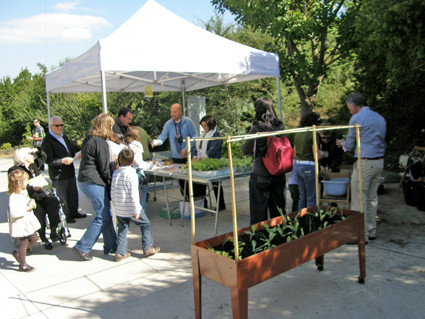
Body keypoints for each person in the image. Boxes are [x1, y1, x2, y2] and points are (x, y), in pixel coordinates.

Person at [336, 93, 386, 241]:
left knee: (359, 198)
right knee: (372, 198)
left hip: (365, 161)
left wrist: (342, 145)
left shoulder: (357, 118)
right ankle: (371, 230)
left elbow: (350, 145)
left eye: (348, 107)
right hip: (379, 162)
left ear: (353, 105)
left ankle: (359, 234)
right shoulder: (379, 117)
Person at [73, 114, 118, 261]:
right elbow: (105, 169)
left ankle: (112, 246)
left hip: (85, 180)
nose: (112, 128)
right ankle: (82, 246)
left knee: (106, 214)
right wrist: (115, 169)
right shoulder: (101, 142)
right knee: (102, 216)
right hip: (94, 181)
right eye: (111, 126)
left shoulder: (89, 139)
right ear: (106, 127)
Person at [242, 98, 287, 225]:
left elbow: (245, 150)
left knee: (258, 212)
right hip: (278, 171)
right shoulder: (280, 125)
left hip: (261, 172)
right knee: (278, 210)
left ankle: (261, 240)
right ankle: (280, 237)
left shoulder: (257, 127)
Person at [111, 148, 160, 262]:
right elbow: (134, 194)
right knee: (145, 224)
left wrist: (115, 208)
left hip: (120, 209)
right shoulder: (132, 174)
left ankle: (120, 252)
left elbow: (112, 192)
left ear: (119, 160)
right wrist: (137, 210)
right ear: (133, 162)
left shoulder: (115, 173)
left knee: (123, 228)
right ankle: (148, 248)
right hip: (131, 208)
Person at [8, 148, 60, 250]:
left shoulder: (34, 165)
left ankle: (54, 231)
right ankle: (44, 238)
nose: (32, 156)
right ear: (23, 157)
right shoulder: (15, 170)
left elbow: (43, 156)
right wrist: (31, 188)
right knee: (38, 212)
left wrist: (36, 150)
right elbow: (15, 186)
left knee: (53, 202)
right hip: (29, 198)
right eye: (30, 154)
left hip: (42, 194)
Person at [42, 116, 85, 224]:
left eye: (61, 125)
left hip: (69, 171)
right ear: (51, 126)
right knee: (62, 197)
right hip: (58, 174)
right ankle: (66, 216)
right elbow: (47, 159)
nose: (60, 127)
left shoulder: (63, 137)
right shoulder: (47, 140)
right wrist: (61, 161)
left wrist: (75, 155)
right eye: (57, 125)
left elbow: (68, 151)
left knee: (72, 194)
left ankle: (74, 212)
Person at [8, 169, 41, 272]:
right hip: (20, 224)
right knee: (23, 242)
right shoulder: (14, 197)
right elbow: (14, 213)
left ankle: (18, 253)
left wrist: (30, 202)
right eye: (26, 180)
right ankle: (23, 265)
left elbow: (25, 201)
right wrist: (27, 208)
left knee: (34, 238)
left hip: (27, 222)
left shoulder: (23, 192)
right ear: (19, 182)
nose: (28, 182)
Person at [193, 115, 226, 210]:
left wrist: (202, 157)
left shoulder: (216, 135)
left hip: (213, 162)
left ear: (211, 125)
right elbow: (197, 146)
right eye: (203, 126)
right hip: (202, 162)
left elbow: (213, 150)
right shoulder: (203, 134)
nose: (204, 128)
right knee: (201, 184)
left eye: (205, 126)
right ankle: (203, 204)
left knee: (216, 185)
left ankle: (221, 205)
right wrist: (195, 156)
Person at [293, 111, 322, 210]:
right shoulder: (312, 134)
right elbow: (316, 155)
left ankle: (300, 219)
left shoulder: (298, 134)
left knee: (302, 197)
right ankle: (312, 220)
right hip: (309, 166)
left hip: (298, 166)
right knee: (311, 197)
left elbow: (294, 154)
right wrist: (324, 155)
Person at [124, 126, 153, 212]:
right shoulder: (135, 147)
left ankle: (135, 212)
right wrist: (150, 164)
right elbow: (139, 163)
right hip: (137, 173)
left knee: (134, 194)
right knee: (143, 191)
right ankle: (141, 212)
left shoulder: (126, 145)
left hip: (129, 173)